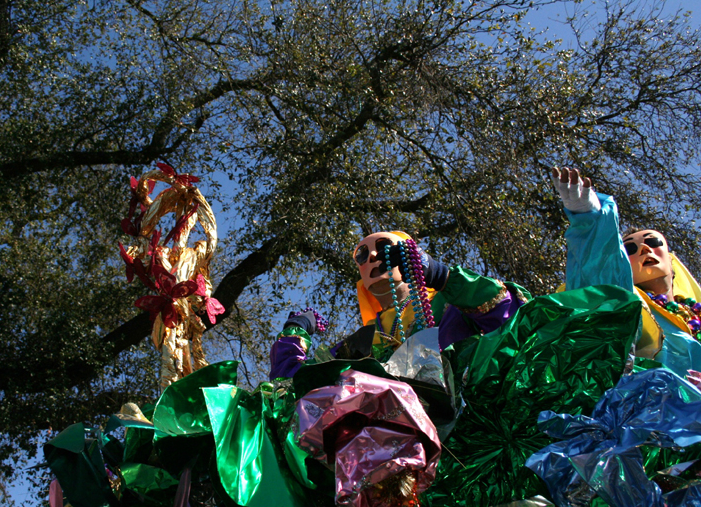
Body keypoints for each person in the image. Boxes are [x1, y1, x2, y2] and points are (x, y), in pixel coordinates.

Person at [269, 231, 531, 380]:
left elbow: (510, 318)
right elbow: (295, 386)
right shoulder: (361, 342)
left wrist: (443, 276)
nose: (372, 256)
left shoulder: (450, 307)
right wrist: (295, 330)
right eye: (362, 255)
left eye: (383, 247)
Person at [553, 166, 701, 376]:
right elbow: (601, 277)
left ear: (671, 261)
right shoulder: (630, 303)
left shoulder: (695, 314)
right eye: (630, 249)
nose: (644, 248)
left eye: (653, 241)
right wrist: (592, 223)